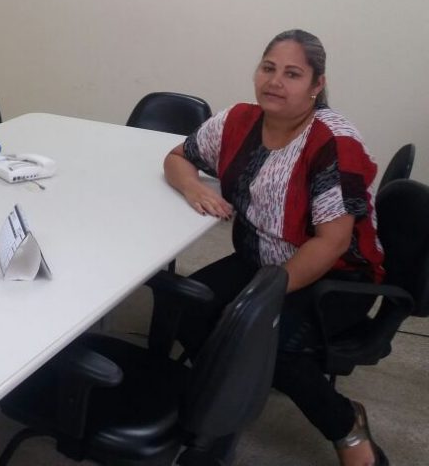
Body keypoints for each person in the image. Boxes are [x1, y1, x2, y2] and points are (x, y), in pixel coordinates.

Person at [164, 30, 387, 466]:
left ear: (317, 85)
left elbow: (333, 241)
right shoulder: (238, 120)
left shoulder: (332, 141)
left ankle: (347, 427)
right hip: (260, 259)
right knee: (186, 305)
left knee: (267, 340)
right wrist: (193, 187)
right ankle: (224, 401)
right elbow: (178, 156)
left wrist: (261, 299)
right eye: (268, 68)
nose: (275, 82)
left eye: (292, 74)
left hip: (336, 274)